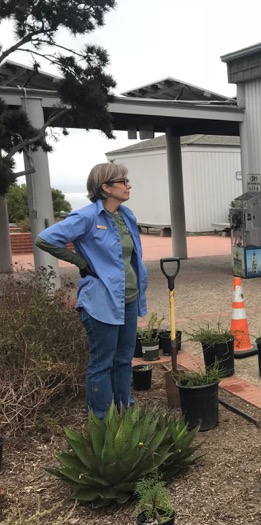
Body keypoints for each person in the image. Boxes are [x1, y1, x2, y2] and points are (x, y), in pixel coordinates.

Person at [35, 163, 148, 419]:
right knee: (102, 363)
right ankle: (100, 420)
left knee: (123, 360)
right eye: (123, 181)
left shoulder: (126, 215)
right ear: (106, 187)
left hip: (128, 299)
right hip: (100, 301)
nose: (129, 185)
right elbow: (45, 239)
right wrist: (81, 263)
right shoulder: (86, 217)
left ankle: (125, 412)